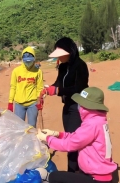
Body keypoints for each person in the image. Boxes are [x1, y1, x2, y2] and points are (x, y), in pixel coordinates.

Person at [37, 87, 117, 183]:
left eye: (81, 104)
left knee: (53, 177)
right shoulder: (98, 120)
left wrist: (47, 139)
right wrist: (57, 134)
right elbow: (76, 137)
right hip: (95, 174)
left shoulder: (91, 124)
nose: (79, 106)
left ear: (88, 107)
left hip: (96, 178)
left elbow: (70, 144)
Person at [40, 37, 89, 172]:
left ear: (70, 52)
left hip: (78, 106)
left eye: (61, 55)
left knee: (74, 141)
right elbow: (59, 83)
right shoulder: (62, 66)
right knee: (68, 135)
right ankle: (73, 171)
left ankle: (75, 172)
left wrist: (57, 91)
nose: (59, 58)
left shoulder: (80, 66)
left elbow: (78, 89)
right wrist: (48, 88)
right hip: (67, 106)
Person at [7, 46, 44, 127]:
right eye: (26, 61)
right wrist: (10, 102)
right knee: (19, 127)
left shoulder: (38, 72)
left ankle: (31, 140)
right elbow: (13, 87)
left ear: (34, 59)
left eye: (30, 61)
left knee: (32, 126)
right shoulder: (16, 71)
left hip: (33, 103)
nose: (28, 63)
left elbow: (40, 88)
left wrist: (39, 99)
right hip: (19, 104)